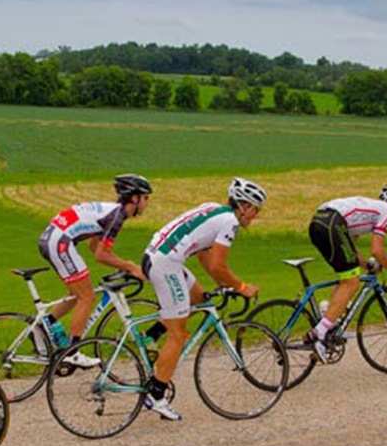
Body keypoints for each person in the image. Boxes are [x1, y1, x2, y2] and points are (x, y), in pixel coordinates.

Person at [138, 179, 265, 422]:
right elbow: (218, 265)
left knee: (200, 299)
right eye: (255, 210)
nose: (255, 216)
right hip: (167, 265)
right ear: (244, 206)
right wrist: (239, 286)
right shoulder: (230, 222)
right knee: (179, 334)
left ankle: (151, 336)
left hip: (158, 256)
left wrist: (221, 284)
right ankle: (156, 393)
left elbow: (204, 254)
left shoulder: (214, 209)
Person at [38, 174, 152, 360]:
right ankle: (72, 352)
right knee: (87, 296)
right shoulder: (117, 216)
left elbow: (94, 247)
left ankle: (43, 327)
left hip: (54, 238)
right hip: (59, 242)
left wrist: (121, 264)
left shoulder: (111, 211)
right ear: (134, 198)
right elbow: (101, 255)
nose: (147, 203)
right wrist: (130, 267)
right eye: (146, 198)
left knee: (77, 293)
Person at [305, 185, 387, 348]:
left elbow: (350, 250)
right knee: (352, 282)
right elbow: (377, 250)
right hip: (332, 223)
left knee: (347, 278)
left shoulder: (368, 210)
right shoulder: (385, 211)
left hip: (320, 221)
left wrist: (368, 265)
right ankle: (319, 333)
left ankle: (328, 314)